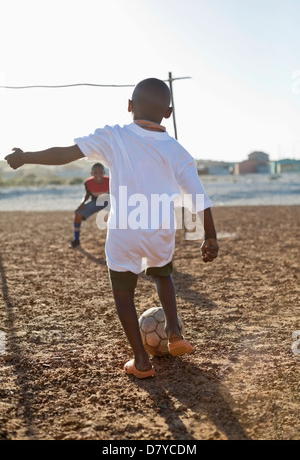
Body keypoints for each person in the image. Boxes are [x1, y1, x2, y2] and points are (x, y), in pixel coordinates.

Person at [5, 78, 219, 379]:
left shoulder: (114, 136)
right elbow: (199, 197)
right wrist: (210, 236)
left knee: (123, 293)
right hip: (160, 229)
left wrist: (26, 157)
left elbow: (65, 154)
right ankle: (174, 333)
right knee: (162, 273)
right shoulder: (178, 151)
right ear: (168, 113)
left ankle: (142, 361)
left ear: (129, 106)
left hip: (124, 230)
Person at [71, 162, 109, 248]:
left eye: (100, 172)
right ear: (92, 173)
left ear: (104, 173)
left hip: (109, 202)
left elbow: (115, 194)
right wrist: (82, 203)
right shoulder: (88, 182)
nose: (98, 174)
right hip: (95, 202)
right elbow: (87, 194)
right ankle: (76, 239)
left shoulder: (110, 181)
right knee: (78, 214)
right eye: (95, 172)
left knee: (119, 217)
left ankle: (122, 240)